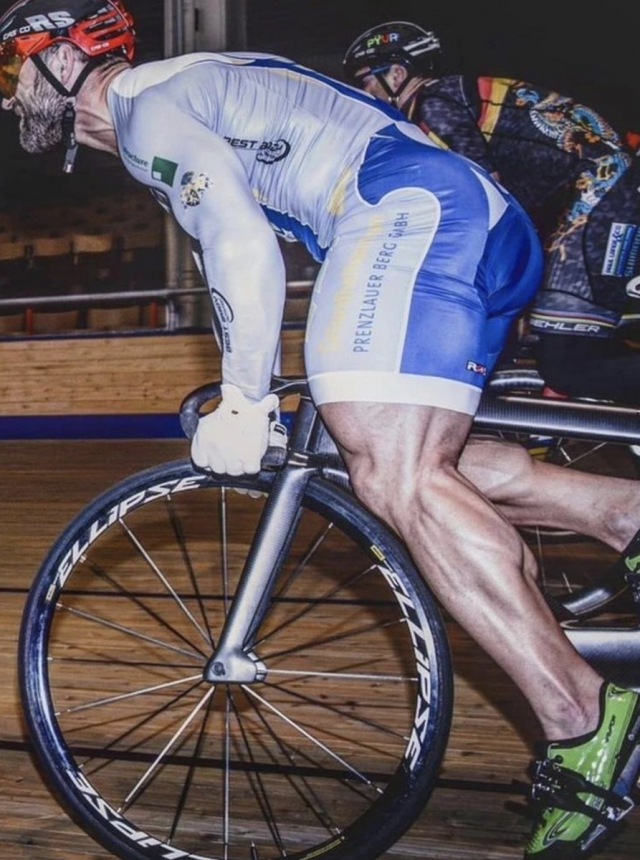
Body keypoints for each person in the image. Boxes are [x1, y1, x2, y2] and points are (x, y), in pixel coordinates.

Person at [2, 2, 640, 858]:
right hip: (457, 218)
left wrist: (244, 397)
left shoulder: (146, 105)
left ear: (68, 54)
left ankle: (581, 714)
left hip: (403, 214)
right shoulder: (180, 99)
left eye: (11, 67)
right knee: (378, 452)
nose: (7, 95)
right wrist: (254, 389)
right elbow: (233, 254)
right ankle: (622, 515)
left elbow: (240, 243)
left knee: (394, 475)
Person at [343, 21, 640, 405]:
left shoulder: (432, 105)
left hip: (602, 194)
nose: (362, 94)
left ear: (397, 74)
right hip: (598, 194)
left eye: (364, 81)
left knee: (568, 363)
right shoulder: (452, 95)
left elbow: (482, 199)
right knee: (559, 345)